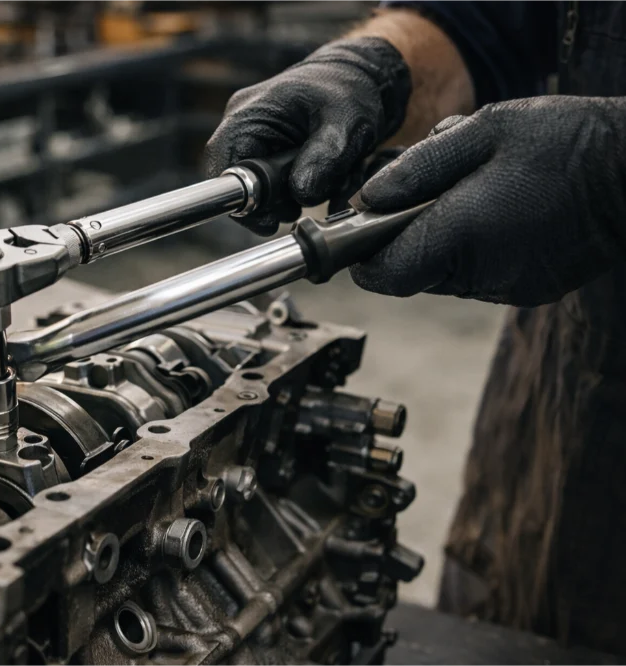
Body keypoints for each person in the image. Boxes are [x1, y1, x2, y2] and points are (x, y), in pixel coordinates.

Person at [206, 0, 626, 655]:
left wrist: (612, 170)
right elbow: (489, 24)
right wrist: (376, 64)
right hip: (572, 367)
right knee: (508, 628)